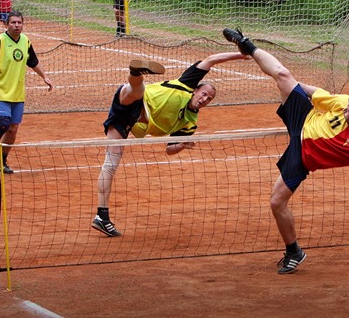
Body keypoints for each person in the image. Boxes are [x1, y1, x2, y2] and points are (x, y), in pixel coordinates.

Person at [222, 28, 349, 274]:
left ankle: (293, 251)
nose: (343, 111)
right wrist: (294, 86)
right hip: (304, 118)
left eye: (348, 113)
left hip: (302, 157)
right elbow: (315, 94)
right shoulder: (345, 102)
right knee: (283, 74)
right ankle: (247, 45)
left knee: (276, 203)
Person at [92, 52, 249, 237]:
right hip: (141, 102)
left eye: (209, 99)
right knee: (134, 92)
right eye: (204, 94)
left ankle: (101, 217)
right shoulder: (186, 83)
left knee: (110, 164)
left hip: (135, 122)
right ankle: (136, 73)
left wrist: (182, 144)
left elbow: (169, 150)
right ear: (196, 90)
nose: (205, 99)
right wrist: (241, 54)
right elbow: (211, 60)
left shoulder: (190, 122)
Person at [0, 11, 53, 175]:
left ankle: (2, 162)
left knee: (12, 129)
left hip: (17, 93)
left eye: (19, 23)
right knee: (3, 123)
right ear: (6, 24)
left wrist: (45, 76)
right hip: (0, 92)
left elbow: (33, 62)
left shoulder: (26, 41)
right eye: (13, 22)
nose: (17, 25)